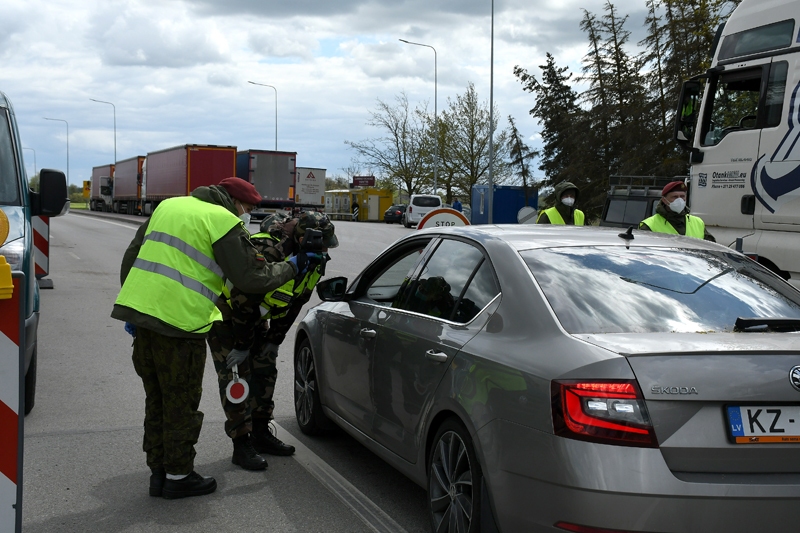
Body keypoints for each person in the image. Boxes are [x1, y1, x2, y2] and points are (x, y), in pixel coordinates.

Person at [112, 177, 313, 500]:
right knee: (180, 403)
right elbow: (251, 278)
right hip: (179, 325)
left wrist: (135, 307)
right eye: (247, 209)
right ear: (233, 202)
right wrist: (292, 266)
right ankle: (179, 477)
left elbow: (131, 258)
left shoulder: (169, 206)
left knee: (158, 400)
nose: (246, 216)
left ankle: (159, 473)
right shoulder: (221, 220)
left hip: (142, 320)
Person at [207, 210, 339, 470]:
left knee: (265, 371)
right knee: (237, 379)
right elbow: (245, 298)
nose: (325, 249)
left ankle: (260, 433)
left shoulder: (314, 260)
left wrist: (274, 340)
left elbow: (296, 301)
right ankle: (241, 443)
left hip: (257, 319)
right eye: (321, 242)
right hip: (229, 318)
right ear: (304, 238)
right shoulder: (266, 249)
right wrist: (242, 346)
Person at [639, 180, 715, 241]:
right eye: (675, 197)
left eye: (682, 196)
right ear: (664, 200)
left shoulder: (698, 222)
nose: (679, 200)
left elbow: (711, 250)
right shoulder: (649, 225)